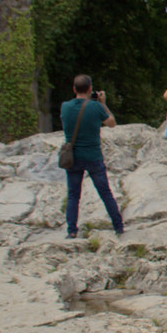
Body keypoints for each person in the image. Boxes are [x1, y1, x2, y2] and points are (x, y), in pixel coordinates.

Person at [61, 74, 124, 237]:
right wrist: (103, 103)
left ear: (74, 89)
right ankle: (118, 226)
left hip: (73, 157)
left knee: (73, 195)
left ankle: (72, 230)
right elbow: (112, 123)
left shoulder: (65, 107)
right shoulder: (96, 107)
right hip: (93, 156)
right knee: (105, 193)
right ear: (90, 89)